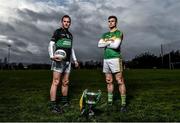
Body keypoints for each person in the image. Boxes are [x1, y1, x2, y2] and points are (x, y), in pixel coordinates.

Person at [48, 15, 79, 113]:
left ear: (70, 23)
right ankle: (53, 106)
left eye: (68, 22)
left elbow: (71, 48)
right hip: (59, 61)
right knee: (56, 82)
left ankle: (65, 102)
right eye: (65, 21)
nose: (66, 23)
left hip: (68, 62)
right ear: (62, 22)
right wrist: (52, 56)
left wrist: (75, 60)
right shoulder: (57, 32)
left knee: (65, 82)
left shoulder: (70, 35)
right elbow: (51, 44)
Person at [98, 16, 127, 112]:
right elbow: (99, 45)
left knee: (119, 81)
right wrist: (109, 42)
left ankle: (123, 104)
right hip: (106, 59)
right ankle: (110, 102)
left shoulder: (119, 32)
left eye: (112, 21)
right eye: (109, 21)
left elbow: (116, 45)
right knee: (109, 80)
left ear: (116, 22)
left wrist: (105, 43)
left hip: (115, 58)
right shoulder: (105, 34)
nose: (110, 23)